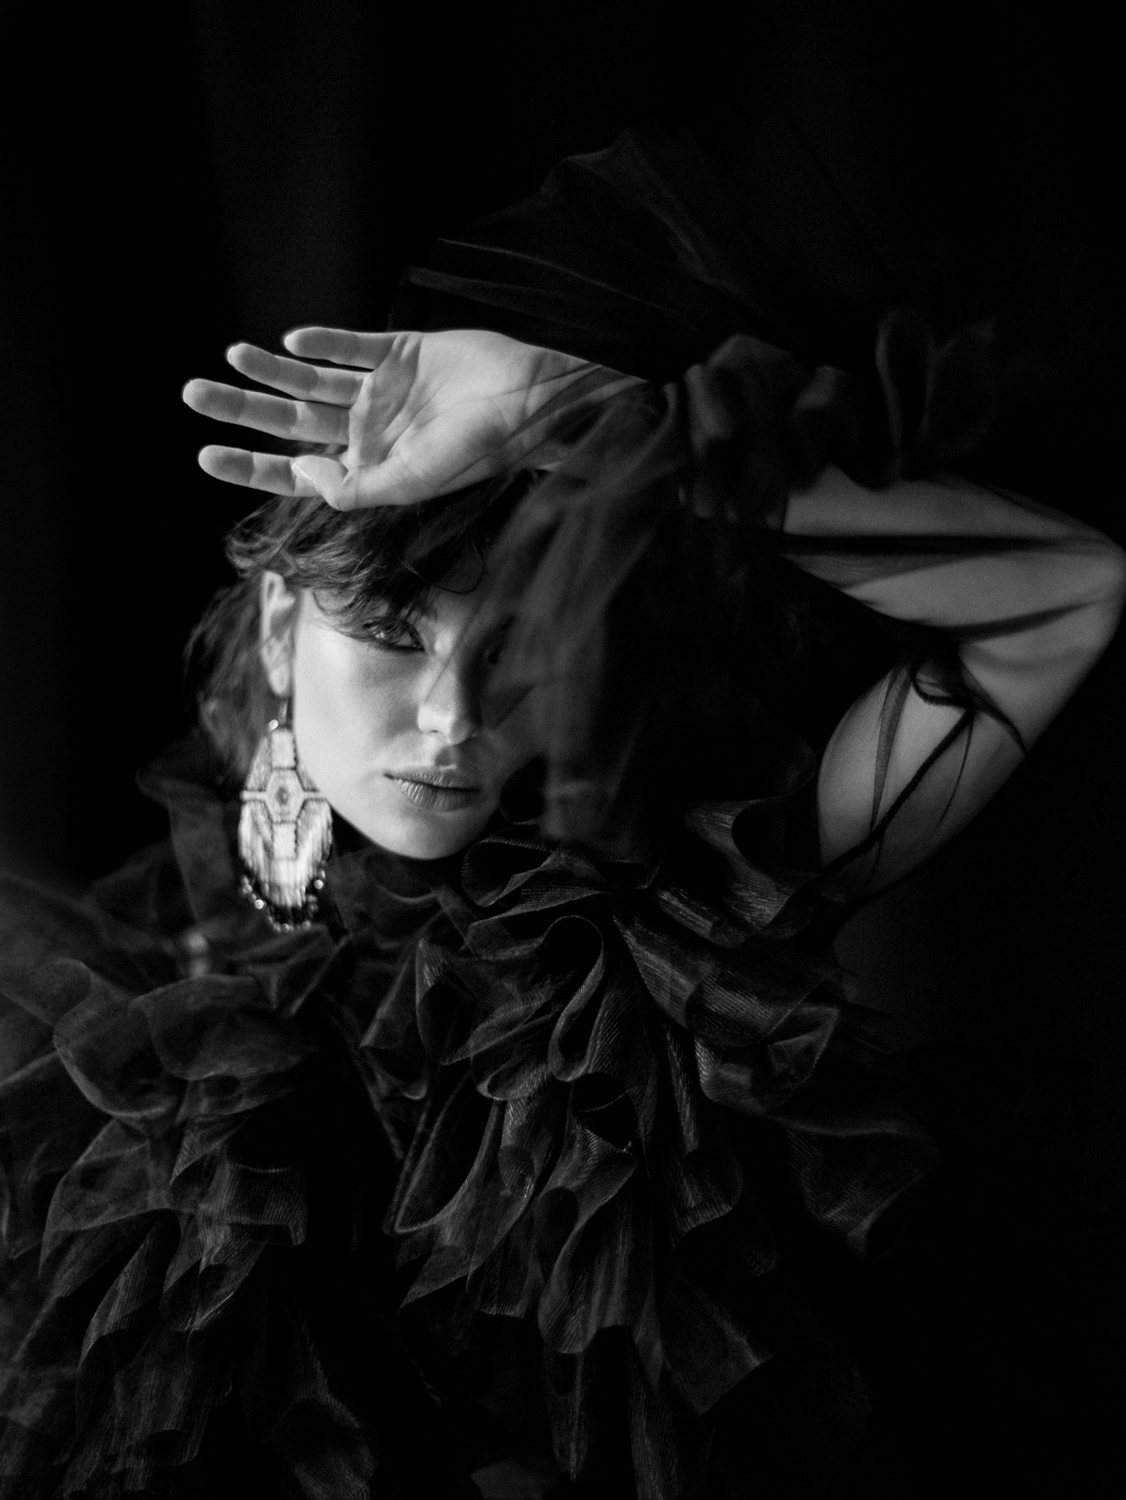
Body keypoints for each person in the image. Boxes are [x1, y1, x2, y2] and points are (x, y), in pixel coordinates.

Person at [2, 113, 1123, 1499]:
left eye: (524, 648)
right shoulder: (141, 979)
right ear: (284, 628)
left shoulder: (672, 927)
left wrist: (568, 412)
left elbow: (1055, 599)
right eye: (394, 635)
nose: (454, 718)